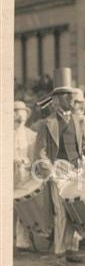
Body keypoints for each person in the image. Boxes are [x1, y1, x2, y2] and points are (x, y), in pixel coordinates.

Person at [34, 68, 85, 266]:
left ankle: (72, 248)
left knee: (76, 210)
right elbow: (40, 152)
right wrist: (51, 170)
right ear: (57, 99)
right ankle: (60, 252)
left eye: (72, 95)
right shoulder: (46, 124)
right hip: (59, 171)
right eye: (67, 95)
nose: (72, 98)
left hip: (77, 170)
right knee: (62, 213)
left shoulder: (77, 121)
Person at [14, 101, 37, 252]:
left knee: (23, 205)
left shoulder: (31, 134)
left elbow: (34, 156)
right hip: (10, 172)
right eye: (16, 112)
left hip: (26, 173)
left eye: (22, 113)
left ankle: (23, 241)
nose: (19, 116)